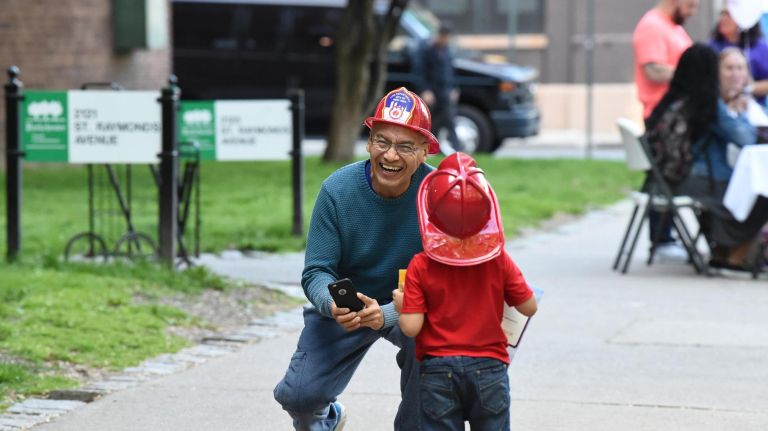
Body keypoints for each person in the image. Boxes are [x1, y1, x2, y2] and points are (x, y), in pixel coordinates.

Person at [272, 87, 439, 430]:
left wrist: (390, 313)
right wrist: (331, 303)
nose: (390, 155)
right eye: (382, 141)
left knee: (435, 351)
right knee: (299, 395)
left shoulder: (438, 194)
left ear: (424, 151)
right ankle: (326, 418)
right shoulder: (338, 190)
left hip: (412, 307)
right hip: (348, 306)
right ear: (368, 142)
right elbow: (317, 270)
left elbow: (450, 280)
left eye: (405, 146)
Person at [393, 152, 537, 430]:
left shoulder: (421, 265)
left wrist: (402, 307)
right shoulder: (499, 259)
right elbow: (529, 307)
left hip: (438, 372)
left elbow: (411, 327)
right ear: (486, 208)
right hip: (490, 370)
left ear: (430, 208)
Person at [649, 44, 767, 271]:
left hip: (670, 179)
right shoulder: (707, 102)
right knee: (760, 192)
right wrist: (734, 106)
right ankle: (735, 256)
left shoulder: (676, 98)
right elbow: (745, 137)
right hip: (699, 179)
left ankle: (723, 251)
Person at [632, 0, 700, 260]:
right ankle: (661, 239)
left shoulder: (674, 27)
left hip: (677, 117)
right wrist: (693, 75)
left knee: (665, 172)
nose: (693, 11)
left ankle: (665, 236)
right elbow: (653, 69)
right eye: (692, 5)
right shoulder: (652, 26)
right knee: (666, 172)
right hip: (662, 119)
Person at [413, 22, 464, 153]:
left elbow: (451, 71)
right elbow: (419, 71)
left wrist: (454, 88)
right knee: (431, 121)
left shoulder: (447, 51)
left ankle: (454, 148)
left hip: (445, 92)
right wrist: (425, 90)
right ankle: (431, 148)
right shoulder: (426, 49)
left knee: (448, 119)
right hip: (431, 91)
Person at [710, 6, 768, 107]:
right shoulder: (713, 45)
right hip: (719, 106)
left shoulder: (761, 48)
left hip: (754, 107)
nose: (723, 19)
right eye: (722, 14)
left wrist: (750, 88)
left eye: (729, 15)